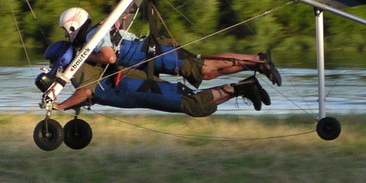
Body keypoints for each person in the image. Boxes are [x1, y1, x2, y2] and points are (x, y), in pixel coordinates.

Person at [57, 6, 282, 88]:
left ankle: (259, 60)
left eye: (67, 30)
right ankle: (256, 65)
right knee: (206, 74)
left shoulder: (95, 35)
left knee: (204, 68)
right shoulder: (97, 31)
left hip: (156, 53)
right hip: (153, 54)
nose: (67, 35)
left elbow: (109, 58)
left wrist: (87, 58)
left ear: (73, 25)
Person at [44, 41, 271, 117]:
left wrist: (61, 105)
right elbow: (89, 92)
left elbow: (86, 91)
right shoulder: (83, 67)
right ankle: (244, 86)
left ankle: (247, 80)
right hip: (140, 87)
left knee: (195, 100)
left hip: (140, 88)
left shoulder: (79, 69)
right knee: (203, 80)